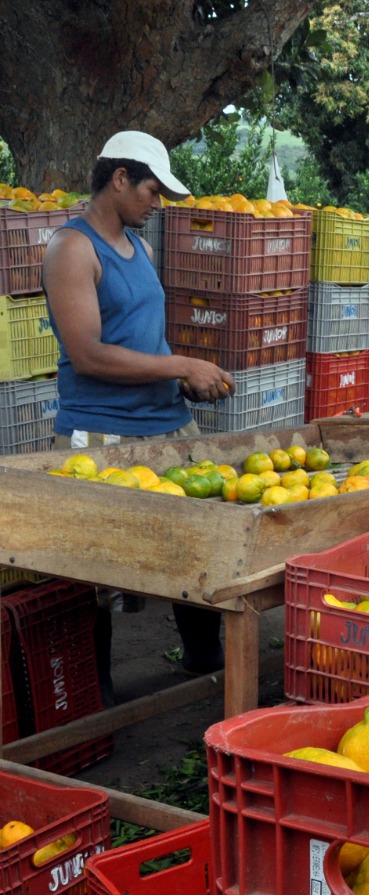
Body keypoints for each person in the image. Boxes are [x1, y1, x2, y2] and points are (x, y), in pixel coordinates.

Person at [42, 130, 235, 682]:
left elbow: (144, 341)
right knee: (94, 570)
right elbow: (88, 355)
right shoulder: (72, 249)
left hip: (168, 425)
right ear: (119, 178)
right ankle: (93, 696)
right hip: (102, 435)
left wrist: (186, 381)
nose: (157, 204)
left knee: (195, 551)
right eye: (152, 191)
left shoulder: (140, 247)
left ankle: (206, 671)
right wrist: (181, 365)